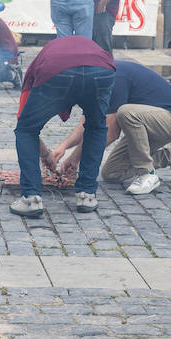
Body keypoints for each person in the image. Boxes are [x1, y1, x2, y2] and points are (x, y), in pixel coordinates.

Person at [50, 60, 171, 197]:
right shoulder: (93, 83)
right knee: (112, 173)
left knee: (126, 113)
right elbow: (86, 125)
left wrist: (75, 159)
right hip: (146, 125)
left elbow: (110, 133)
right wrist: (63, 147)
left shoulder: (113, 76)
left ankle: (147, 174)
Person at [10, 35, 115, 218]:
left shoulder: (34, 72)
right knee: (96, 127)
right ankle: (87, 195)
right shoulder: (84, 47)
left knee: (26, 129)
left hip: (56, 71)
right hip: (102, 70)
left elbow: (25, 126)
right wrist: (46, 154)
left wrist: (44, 154)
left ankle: (31, 199)